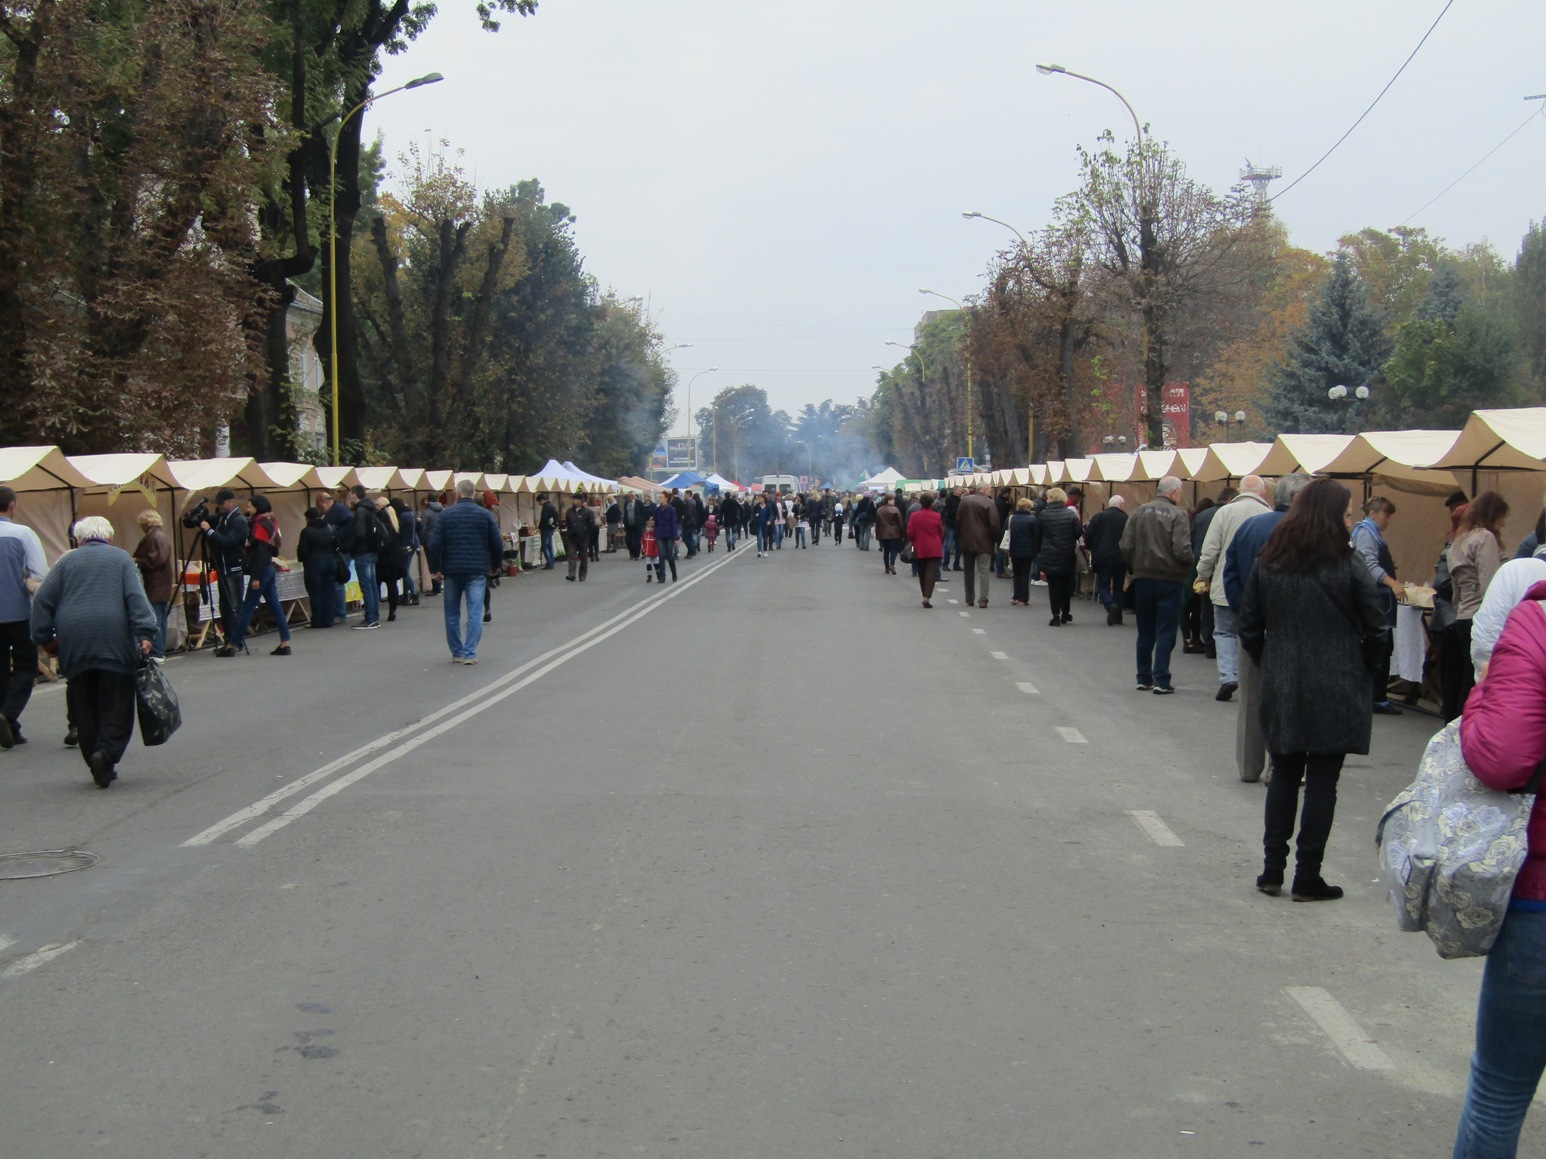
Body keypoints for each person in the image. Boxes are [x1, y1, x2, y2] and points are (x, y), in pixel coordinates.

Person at [1238, 478, 1384, 902]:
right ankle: (1308, 877)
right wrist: (1364, 667)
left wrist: (1274, 661)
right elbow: (1376, 626)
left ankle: (1271, 871)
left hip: (1283, 679)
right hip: (1337, 683)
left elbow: (1248, 625)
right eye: (1348, 513)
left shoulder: (1270, 560)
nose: (1351, 519)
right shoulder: (1348, 562)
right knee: (1323, 782)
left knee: (1283, 774)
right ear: (1331, 515)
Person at [1449, 575, 1546, 1157]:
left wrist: (1482, 694)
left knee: (1500, 1091)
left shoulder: (1538, 625)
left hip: (1540, 904)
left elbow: (1502, 757)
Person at [29, 516, 156, 787]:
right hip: (114, 641)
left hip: (74, 642)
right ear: (109, 537)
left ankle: (95, 760)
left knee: (84, 705)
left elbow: (42, 599)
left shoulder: (65, 563)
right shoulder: (121, 559)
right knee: (118, 703)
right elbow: (136, 597)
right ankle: (106, 753)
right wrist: (145, 632)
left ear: (79, 540)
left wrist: (44, 638)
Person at [1224, 473, 1311, 783]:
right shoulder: (1305, 533)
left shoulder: (1250, 527)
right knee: (1288, 697)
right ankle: (1281, 764)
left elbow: (1230, 571)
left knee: (1251, 698)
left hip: (1252, 627)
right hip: (1292, 629)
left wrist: (1244, 614)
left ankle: (1249, 766)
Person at [1196, 475, 1271, 702]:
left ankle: (1228, 676)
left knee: (1224, 632)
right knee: (1251, 632)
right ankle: (1250, 678)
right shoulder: (1267, 515)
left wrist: (1202, 575)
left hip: (1225, 583)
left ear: (1240, 490)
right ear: (1262, 492)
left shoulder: (1224, 512)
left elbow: (1210, 549)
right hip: (1259, 585)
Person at [1119, 476, 1193, 695]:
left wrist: (1135, 565)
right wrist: (1189, 563)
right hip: (1171, 578)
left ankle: (1143, 676)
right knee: (1166, 629)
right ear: (1173, 493)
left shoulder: (1138, 512)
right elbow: (1181, 549)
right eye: (1179, 491)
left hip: (1143, 577)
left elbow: (1125, 545)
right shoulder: (1178, 515)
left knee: (1145, 629)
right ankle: (1161, 678)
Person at [1446, 490, 1510, 720]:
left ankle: (1456, 725)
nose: (1503, 524)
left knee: (1464, 676)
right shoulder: (1485, 538)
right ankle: (1471, 727)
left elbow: (1455, 589)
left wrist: (1460, 607)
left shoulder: (1458, 541)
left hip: (1463, 614)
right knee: (1479, 678)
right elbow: (1490, 584)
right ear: (1493, 515)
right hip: (1481, 615)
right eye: (1502, 517)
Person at [428, 479, 503, 664]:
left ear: (458, 494)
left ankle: (457, 651)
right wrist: (495, 565)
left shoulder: (446, 515)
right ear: (474, 494)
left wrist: (435, 569)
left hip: (452, 569)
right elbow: (497, 543)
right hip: (477, 569)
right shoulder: (485, 515)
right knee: (475, 612)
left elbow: (435, 543)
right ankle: (470, 652)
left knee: (452, 613)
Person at [0, 485, 47, 748]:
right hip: (18, 612)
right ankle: (9, 714)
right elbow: (39, 574)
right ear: (12, 506)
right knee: (25, 667)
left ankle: (10, 726)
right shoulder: (22, 534)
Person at [1351, 495, 1406, 715]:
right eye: (1385, 514)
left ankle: (1375, 695)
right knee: (1381, 644)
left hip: (1378, 599)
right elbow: (1368, 564)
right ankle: (1376, 697)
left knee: (1383, 645)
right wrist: (1392, 582)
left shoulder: (1370, 533)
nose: (1388, 520)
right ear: (1372, 513)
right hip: (1376, 599)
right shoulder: (1366, 533)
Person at [220, 494, 292, 657]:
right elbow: (274, 548)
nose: (248, 509)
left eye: (251, 506)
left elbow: (260, 552)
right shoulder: (271, 521)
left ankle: (231, 645)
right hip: (268, 568)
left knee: (247, 608)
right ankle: (285, 641)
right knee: (275, 605)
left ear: (258, 507)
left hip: (261, 570)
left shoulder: (260, 525)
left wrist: (257, 577)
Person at [199, 488, 248, 645]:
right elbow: (209, 519)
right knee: (225, 606)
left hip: (233, 568)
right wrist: (199, 516)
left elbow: (229, 541)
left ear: (230, 502)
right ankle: (229, 639)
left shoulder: (239, 520)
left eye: (221, 504)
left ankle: (236, 640)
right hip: (223, 568)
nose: (219, 507)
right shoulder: (222, 518)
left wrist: (210, 531)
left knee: (234, 606)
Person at [1033, 486, 1082, 627]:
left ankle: (1055, 615)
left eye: (1048, 497)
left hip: (1049, 555)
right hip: (1067, 554)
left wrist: (1039, 554)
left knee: (1053, 587)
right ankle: (1066, 612)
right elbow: (1078, 532)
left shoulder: (1043, 515)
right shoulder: (1070, 514)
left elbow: (1038, 536)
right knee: (1066, 586)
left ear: (1052, 498)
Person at [131, 509, 175, 659]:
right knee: (160, 617)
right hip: (161, 582)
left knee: (156, 617)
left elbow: (157, 560)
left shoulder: (154, 537)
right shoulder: (158, 536)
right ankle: (159, 650)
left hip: (156, 583)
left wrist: (138, 561)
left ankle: (157, 651)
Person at [1182, 495, 1221, 655]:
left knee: (1189, 605)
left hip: (1193, 567)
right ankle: (1201, 641)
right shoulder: (1217, 516)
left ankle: (1190, 641)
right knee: (1202, 606)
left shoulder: (1196, 518)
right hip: (1208, 568)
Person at [1084, 495, 1128, 625]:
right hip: (1121, 557)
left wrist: (1092, 548)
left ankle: (1110, 606)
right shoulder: (1126, 518)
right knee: (1119, 587)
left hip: (1102, 557)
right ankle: (1118, 615)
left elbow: (1088, 536)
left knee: (1103, 586)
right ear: (1121, 505)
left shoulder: (1099, 517)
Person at [956, 484, 1001, 610]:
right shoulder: (989, 503)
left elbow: (958, 520)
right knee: (984, 570)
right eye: (989, 490)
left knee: (968, 571)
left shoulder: (965, 501)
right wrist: (994, 538)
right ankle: (983, 599)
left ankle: (969, 597)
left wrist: (962, 534)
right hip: (984, 541)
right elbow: (994, 524)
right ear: (985, 490)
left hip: (967, 540)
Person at [296, 506, 340, 629]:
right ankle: (328, 620)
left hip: (314, 564)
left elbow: (302, 551)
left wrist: (302, 558)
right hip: (331, 562)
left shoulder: (307, 531)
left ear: (308, 518)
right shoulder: (330, 528)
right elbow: (337, 545)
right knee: (328, 592)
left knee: (315, 593)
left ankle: (317, 620)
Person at [348, 485, 383, 630]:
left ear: (355, 495)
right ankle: (374, 616)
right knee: (372, 585)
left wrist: (352, 546)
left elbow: (360, 533)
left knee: (367, 586)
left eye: (350, 495)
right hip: (372, 550)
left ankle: (370, 618)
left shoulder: (361, 511)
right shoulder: (370, 509)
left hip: (363, 551)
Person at [318, 490, 354, 617]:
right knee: (335, 581)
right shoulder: (337, 510)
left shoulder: (340, 511)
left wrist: (336, 535)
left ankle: (340, 613)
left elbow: (349, 527)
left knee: (338, 581)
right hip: (338, 550)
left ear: (323, 502)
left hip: (342, 550)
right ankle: (336, 611)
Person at [906, 492, 945, 608]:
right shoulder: (937, 516)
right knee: (931, 573)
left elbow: (910, 532)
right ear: (932, 503)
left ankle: (924, 594)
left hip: (919, 547)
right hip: (934, 547)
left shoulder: (914, 516)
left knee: (922, 573)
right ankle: (927, 596)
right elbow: (941, 532)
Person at [1007, 497, 1038, 606]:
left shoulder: (1011, 518)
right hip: (1028, 550)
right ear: (1027, 507)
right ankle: (1024, 598)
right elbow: (1036, 536)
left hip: (1014, 549)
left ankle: (1015, 596)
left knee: (1016, 574)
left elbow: (1004, 532)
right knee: (1025, 574)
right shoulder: (1032, 520)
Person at [564, 492, 597, 582]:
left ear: (580, 501)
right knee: (571, 555)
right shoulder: (569, 511)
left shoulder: (588, 512)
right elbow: (567, 523)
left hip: (583, 537)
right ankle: (571, 574)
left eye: (574, 499)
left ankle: (582, 575)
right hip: (572, 537)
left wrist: (588, 535)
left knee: (583, 557)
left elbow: (592, 525)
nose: (573, 501)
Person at [418, 492, 444, 595]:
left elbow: (423, 528)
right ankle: (440, 585)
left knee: (432, 564)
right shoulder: (443, 511)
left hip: (430, 540)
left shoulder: (426, 512)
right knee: (441, 561)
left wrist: (422, 540)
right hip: (442, 539)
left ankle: (436, 587)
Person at [653, 491, 681, 581]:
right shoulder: (657, 510)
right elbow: (656, 522)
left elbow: (674, 523)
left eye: (661, 497)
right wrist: (655, 533)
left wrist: (676, 537)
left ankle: (674, 573)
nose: (659, 498)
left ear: (666, 498)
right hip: (659, 534)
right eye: (659, 497)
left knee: (669, 556)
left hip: (669, 534)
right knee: (661, 555)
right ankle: (662, 576)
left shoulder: (671, 509)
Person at [537, 492, 558, 570]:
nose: (539, 503)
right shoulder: (552, 506)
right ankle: (551, 562)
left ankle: (549, 563)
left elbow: (544, 518)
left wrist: (540, 527)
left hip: (545, 528)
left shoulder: (546, 507)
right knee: (550, 546)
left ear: (542, 500)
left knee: (545, 546)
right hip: (551, 528)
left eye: (539, 502)